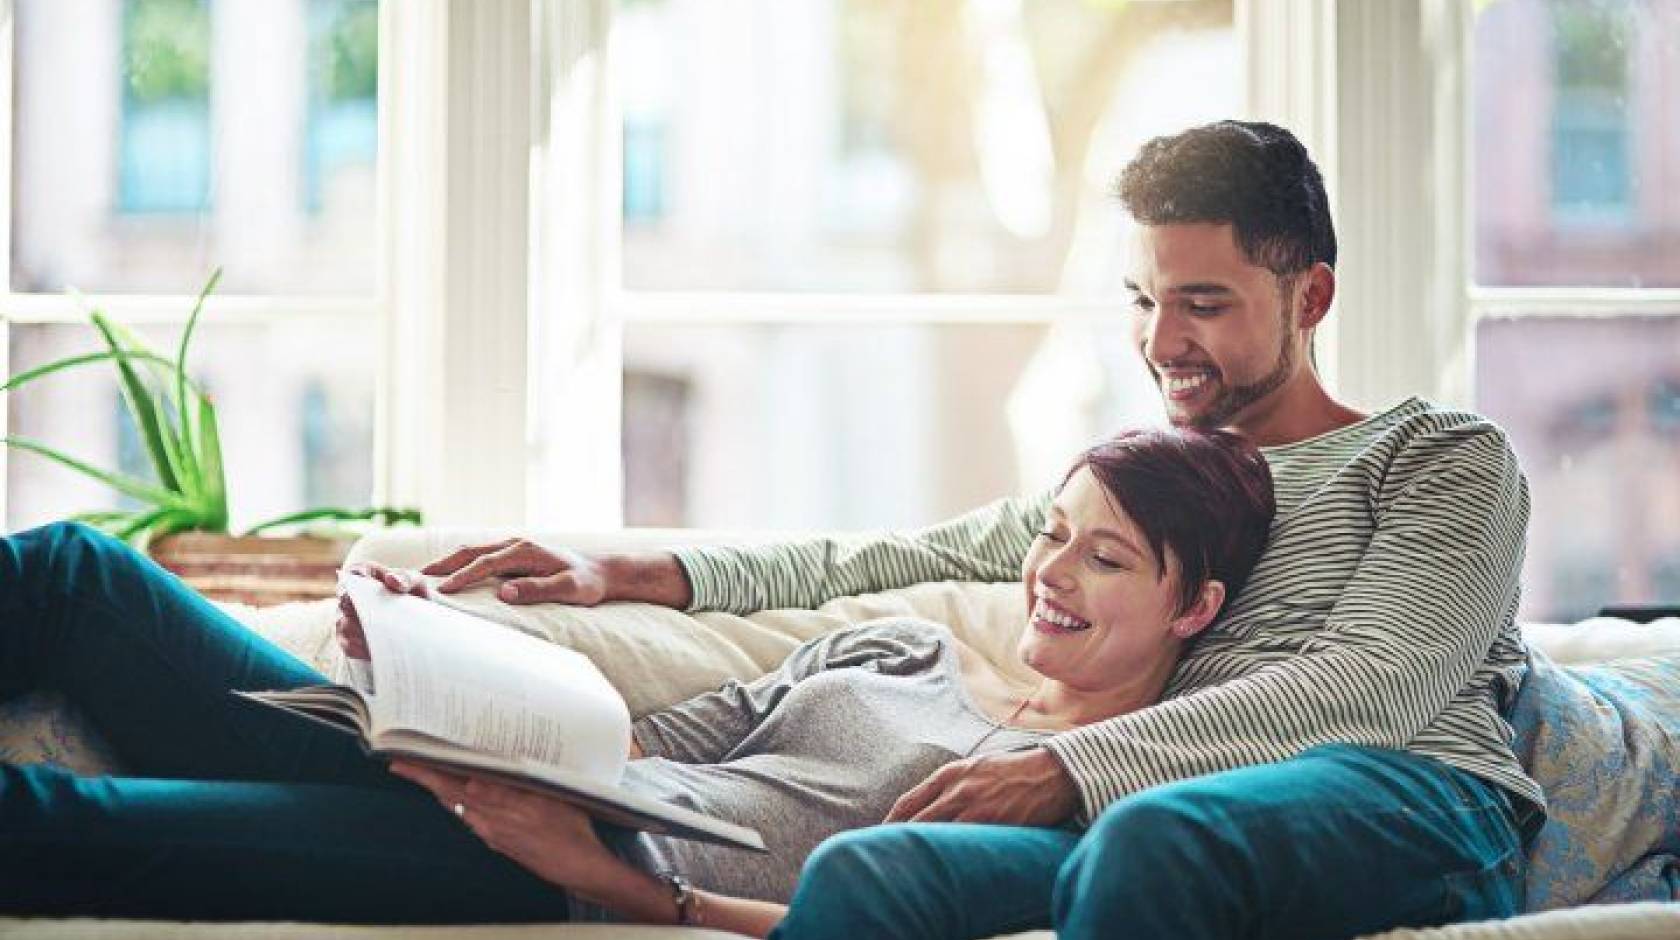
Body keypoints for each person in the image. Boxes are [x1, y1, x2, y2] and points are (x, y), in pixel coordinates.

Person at [426, 120, 1540, 940]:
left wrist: (1066, 765)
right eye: (1144, 301)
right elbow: (894, 554)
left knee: (1152, 839)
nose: (1162, 343)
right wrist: (636, 566)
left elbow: (1371, 684)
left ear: (1311, 299)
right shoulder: (1156, 486)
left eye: (1204, 304)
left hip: (1405, 797)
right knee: (876, 870)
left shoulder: (1438, 456)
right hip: (1147, 804)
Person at [0, 427, 1273, 934]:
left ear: (1195, 606)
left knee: (74, 824)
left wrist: (612, 880)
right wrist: (431, 664)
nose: (1052, 573)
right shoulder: (905, 649)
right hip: (497, 783)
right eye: (1053, 533)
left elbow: (864, 923)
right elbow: (648, 735)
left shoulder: (1076, 803)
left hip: (548, 867)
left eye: (1107, 558)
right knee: (77, 573)